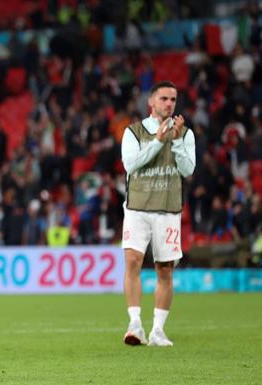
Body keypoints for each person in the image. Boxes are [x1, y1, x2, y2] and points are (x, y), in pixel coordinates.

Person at [120, 81, 196, 347]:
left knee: (165, 270)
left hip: (167, 209)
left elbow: (187, 170)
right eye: (164, 98)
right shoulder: (134, 131)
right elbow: (130, 164)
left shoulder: (185, 134)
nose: (169, 104)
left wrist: (174, 143)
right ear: (151, 102)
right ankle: (135, 324)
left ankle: (158, 331)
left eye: (173, 99)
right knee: (132, 262)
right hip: (137, 208)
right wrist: (157, 142)